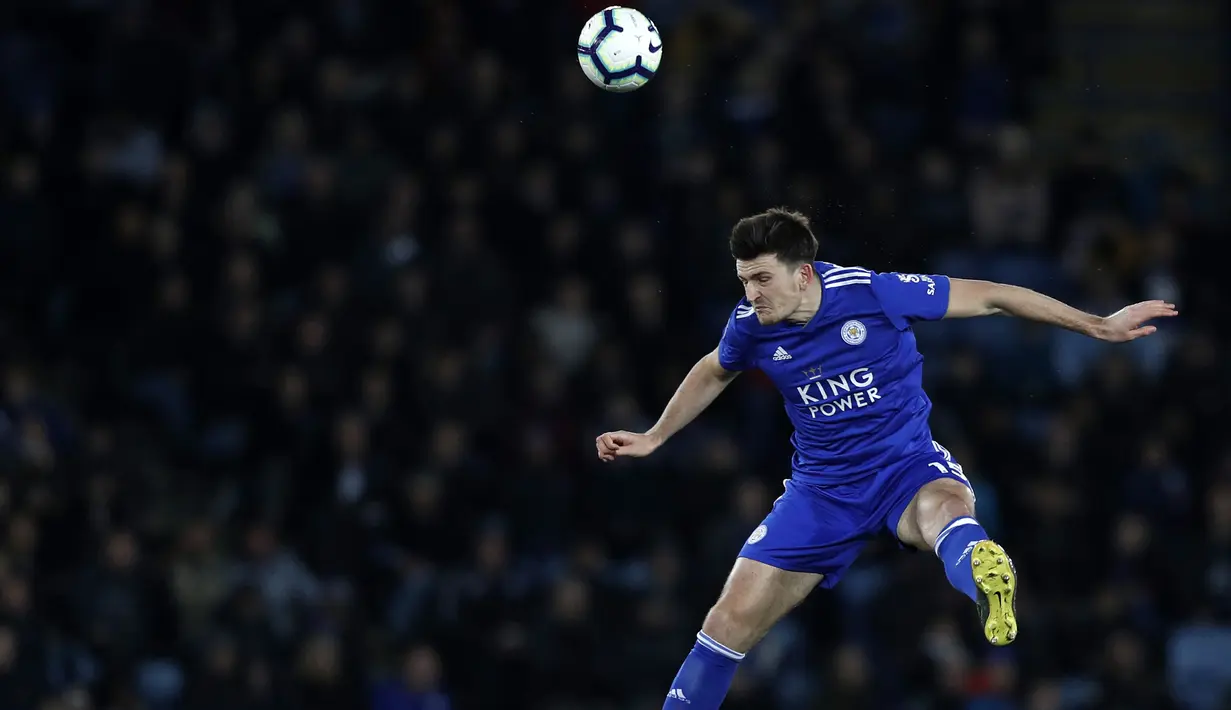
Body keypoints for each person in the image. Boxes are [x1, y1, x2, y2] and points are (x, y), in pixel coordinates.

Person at [594, 208, 1178, 710]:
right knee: (724, 625)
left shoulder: (871, 293)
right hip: (821, 493)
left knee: (944, 506)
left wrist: (1096, 324)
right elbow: (713, 369)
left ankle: (982, 570)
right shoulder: (751, 324)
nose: (752, 294)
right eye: (745, 280)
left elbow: (995, 297)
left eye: (762, 279)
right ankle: (972, 556)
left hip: (903, 468)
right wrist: (655, 435)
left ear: (802, 274)